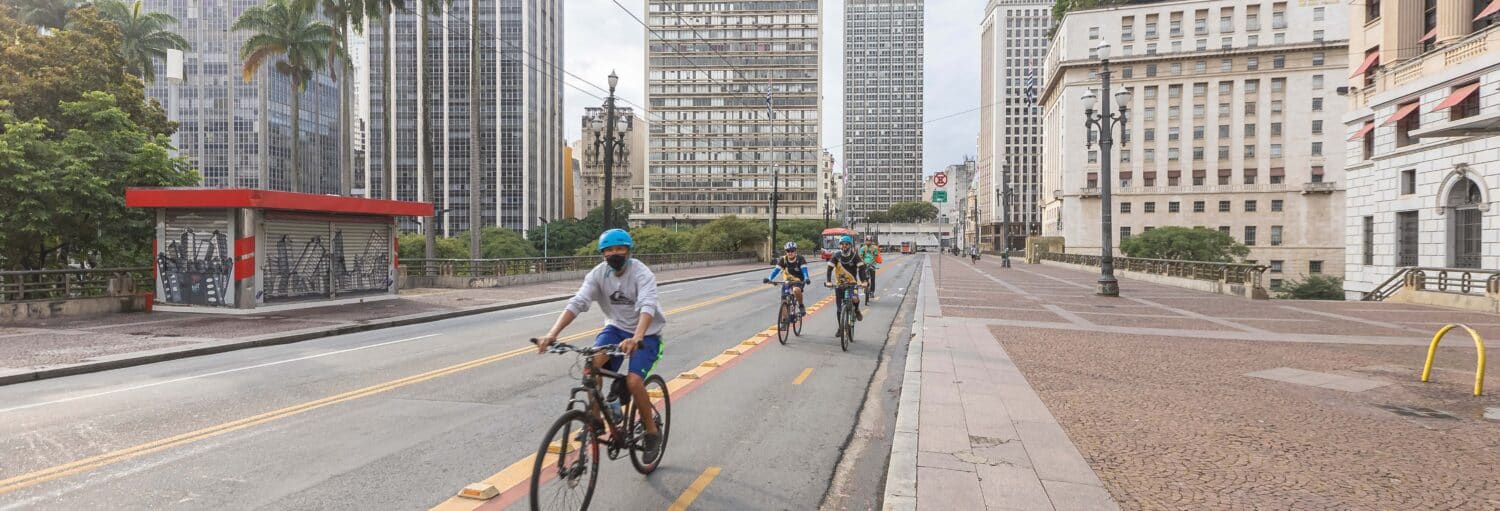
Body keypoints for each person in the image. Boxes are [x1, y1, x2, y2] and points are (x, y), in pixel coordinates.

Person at [535, 228, 663, 459]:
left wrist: (637, 337)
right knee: (592, 364)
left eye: (620, 248)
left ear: (629, 251)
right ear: (602, 254)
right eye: (609, 250)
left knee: (634, 382)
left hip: (647, 333)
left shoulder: (641, 274)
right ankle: (595, 420)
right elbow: (578, 302)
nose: (615, 253)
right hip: (615, 328)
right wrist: (552, 334)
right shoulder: (598, 274)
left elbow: (647, 306)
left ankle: (652, 432)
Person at [825, 235, 867, 325]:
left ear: (850, 245)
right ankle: (840, 328)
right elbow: (829, 269)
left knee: (855, 298)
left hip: (852, 284)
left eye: (846, 244)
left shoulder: (855, 256)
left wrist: (864, 281)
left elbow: (861, 270)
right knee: (839, 308)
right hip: (839, 284)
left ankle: (856, 310)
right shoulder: (836, 256)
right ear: (839, 245)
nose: (844, 246)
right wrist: (828, 281)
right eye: (842, 244)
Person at [764, 241, 809, 316]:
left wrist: (806, 278)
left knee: (796, 290)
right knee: (784, 301)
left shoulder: (800, 259)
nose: (790, 252)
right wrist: (769, 279)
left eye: (792, 250)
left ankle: (801, 305)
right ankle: (784, 323)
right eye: (788, 251)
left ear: (795, 251)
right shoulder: (783, 259)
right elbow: (776, 271)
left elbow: (804, 270)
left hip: (798, 280)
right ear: (786, 252)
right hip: (787, 281)